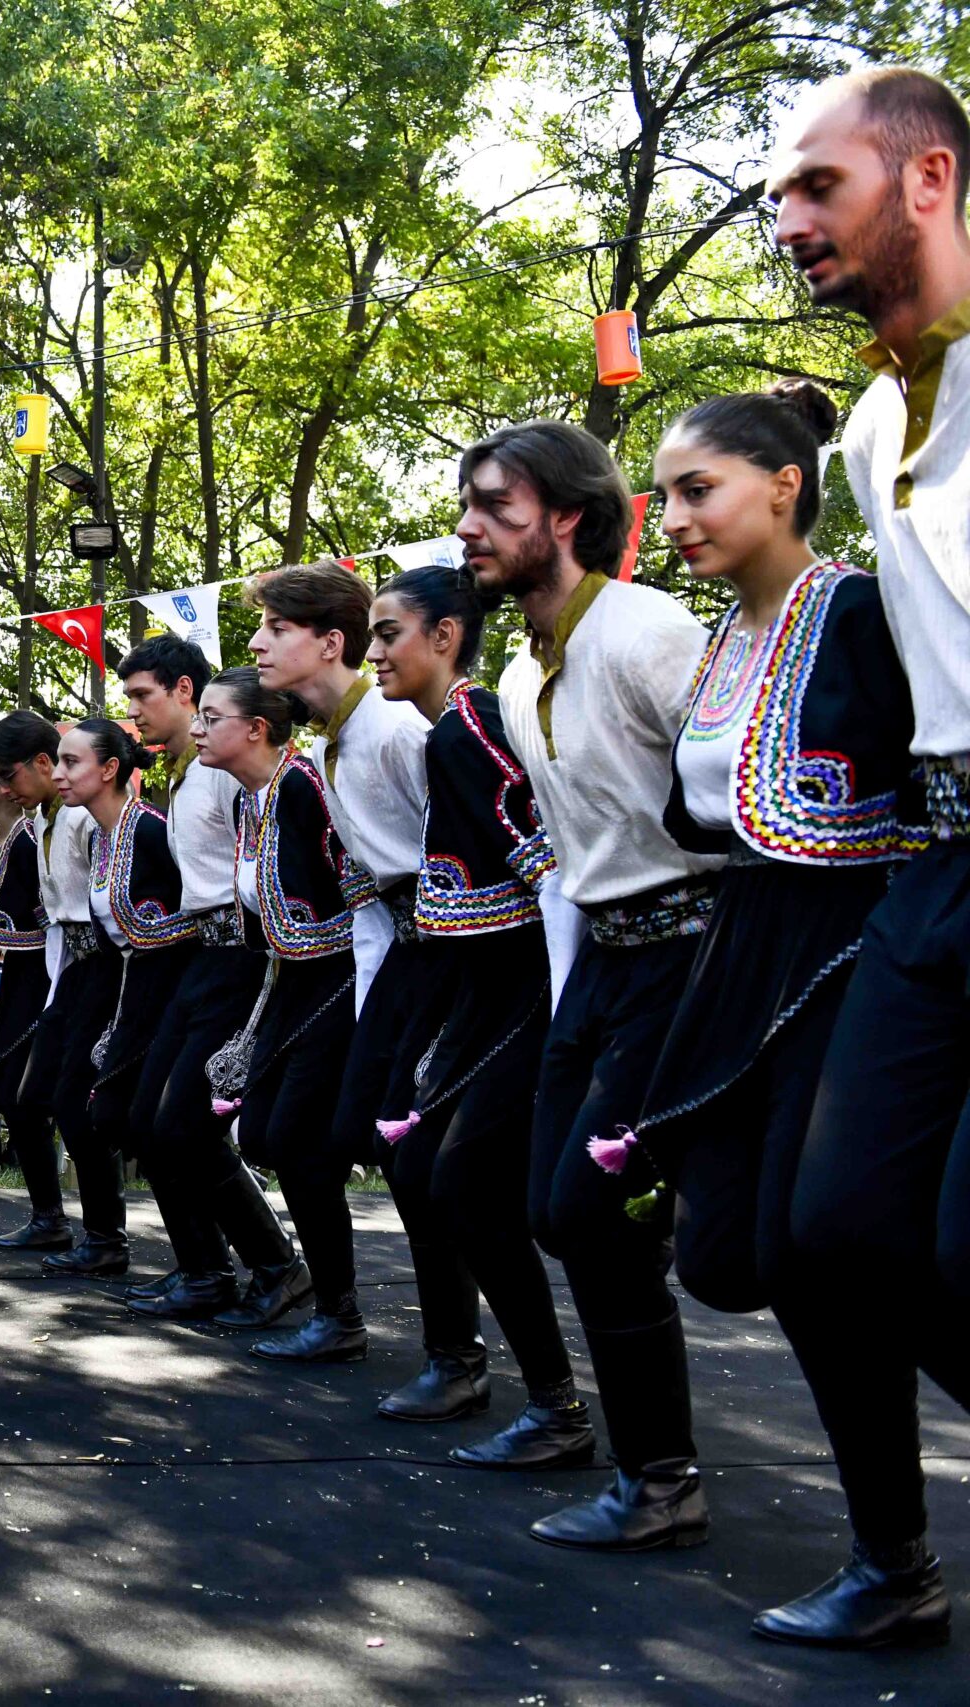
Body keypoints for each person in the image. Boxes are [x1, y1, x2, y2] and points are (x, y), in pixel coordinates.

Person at [625, 380, 937, 1639]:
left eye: (697, 489)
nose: (675, 515)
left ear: (784, 485)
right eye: (664, 494)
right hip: (741, 951)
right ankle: (893, 1557)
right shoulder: (725, 646)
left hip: (852, 945)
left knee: (824, 1252)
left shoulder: (859, 610)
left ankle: (893, 1561)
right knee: (729, 1253)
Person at [768, 66, 970, 1649]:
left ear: (925, 180)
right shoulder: (877, 425)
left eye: (815, 186)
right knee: (831, 1236)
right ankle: (894, 1563)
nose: (786, 222)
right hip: (936, 866)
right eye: (778, 196)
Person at [466, 419, 724, 1551]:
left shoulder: (647, 633)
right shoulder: (522, 668)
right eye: (469, 506)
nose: (470, 528)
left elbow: (733, 803)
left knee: (597, 1217)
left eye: (497, 508)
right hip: (599, 962)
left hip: (689, 954)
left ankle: (660, 1482)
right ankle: (618, 1450)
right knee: (543, 1206)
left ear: (565, 517)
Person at [355, 568, 583, 1452]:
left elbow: (547, 865)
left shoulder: (470, 727)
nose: (374, 652)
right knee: (418, 1171)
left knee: (465, 1183)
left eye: (388, 633)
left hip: (522, 989)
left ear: (444, 635)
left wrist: (567, 1014)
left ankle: (556, 1403)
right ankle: (457, 1360)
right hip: (474, 991)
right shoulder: (442, 733)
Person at [245, 563, 431, 1362]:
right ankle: (346, 1316)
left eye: (277, 628)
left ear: (330, 641)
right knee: (314, 1140)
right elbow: (369, 897)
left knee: (423, 1165)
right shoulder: (329, 746)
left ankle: (475, 1364)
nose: (256, 642)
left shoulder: (396, 732)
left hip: (451, 961)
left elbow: (462, 856)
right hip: (387, 963)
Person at [193, 667, 364, 1358]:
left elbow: (358, 888)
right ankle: (317, 1294)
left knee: (296, 1140)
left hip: (340, 979)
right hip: (291, 982)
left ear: (256, 729)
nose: (198, 729)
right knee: (263, 1133)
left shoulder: (304, 787)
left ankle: (338, 1311)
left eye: (211, 716)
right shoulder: (249, 801)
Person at [109, 636, 272, 1318]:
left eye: (143, 696)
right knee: (149, 1119)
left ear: (183, 691)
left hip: (241, 957)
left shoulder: (224, 767)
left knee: (182, 1122)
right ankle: (203, 1269)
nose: (134, 714)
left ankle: (273, 1264)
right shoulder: (184, 772)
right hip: (200, 958)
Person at [39, 719, 147, 1276]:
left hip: (118, 974)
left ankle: (110, 1236)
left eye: (67, 762)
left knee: (115, 1110)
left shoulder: (133, 827)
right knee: (63, 1099)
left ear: (109, 769)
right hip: (84, 970)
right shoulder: (87, 825)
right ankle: (101, 1234)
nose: (56, 773)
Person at [0, 712, 70, 1251]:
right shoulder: (3, 845)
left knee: (29, 1095)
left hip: (44, 979)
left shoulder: (36, 841)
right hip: (19, 978)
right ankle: (47, 1213)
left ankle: (61, 1215)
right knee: (15, 1096)